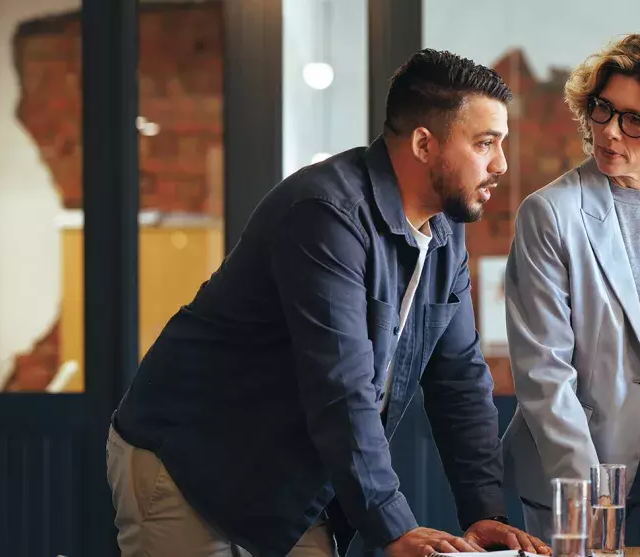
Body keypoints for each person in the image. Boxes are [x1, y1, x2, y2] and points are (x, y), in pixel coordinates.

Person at [105, 49, 548, 557]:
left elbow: (459, 380)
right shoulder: (326, 215)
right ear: (425, 144)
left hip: (284, 481)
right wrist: (394, 528)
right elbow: (341, 387)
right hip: (187, 464)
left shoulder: (442, 234)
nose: (501, 164)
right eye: (485, 143)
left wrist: (484, 513)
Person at [501, 33, 640, 545]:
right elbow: (544, 376)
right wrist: (590, 500)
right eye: (603, 110)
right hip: (574, 473)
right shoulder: (549, 213)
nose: (610, 133)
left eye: (634, 120)